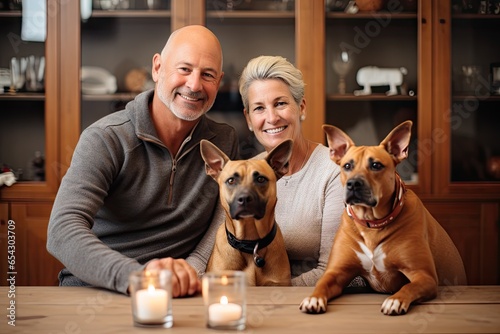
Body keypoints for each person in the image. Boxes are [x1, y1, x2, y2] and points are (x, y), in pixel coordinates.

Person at [47, 25, 239, 297]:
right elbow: (62, 231)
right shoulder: (106, 138)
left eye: (207, 75)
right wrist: (140, 278)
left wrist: (191, 269)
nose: (194, 85)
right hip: (98, 291)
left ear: (218, 83)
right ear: (158, 67)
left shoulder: (222, 141)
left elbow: (222, 219)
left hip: (180, 294)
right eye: (184, 69)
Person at [239, 55, 365, 287]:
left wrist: (269, 297)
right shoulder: (241, 173)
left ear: (301, 107)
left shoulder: (335, 171)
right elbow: (215, 250)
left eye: (280, 103)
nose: (271, 117)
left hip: (319, 301)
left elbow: (337, 269)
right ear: (249, 119)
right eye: (259, 108)